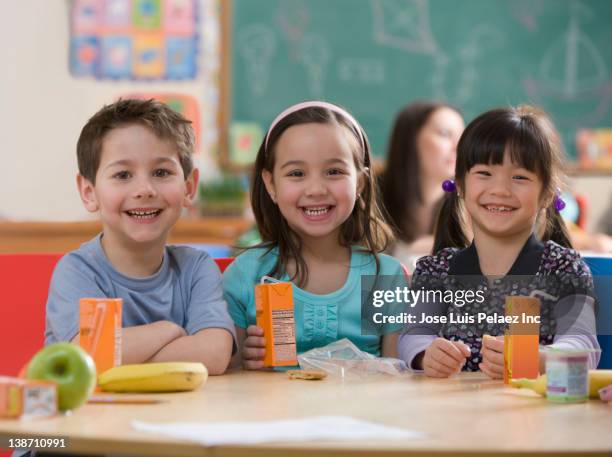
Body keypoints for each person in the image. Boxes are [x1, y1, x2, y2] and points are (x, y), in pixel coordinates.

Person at [398, 105, 600, 378]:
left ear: (546, 194)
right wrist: (426, 354)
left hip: (535, 416)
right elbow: (414, 335)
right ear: (460, 184)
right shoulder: (437, 271)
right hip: (451, 415)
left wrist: (537, 360)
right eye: (484, 173)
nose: (500, 190)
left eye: (520, 177)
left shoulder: (564, 269)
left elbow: (583, 347)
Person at [45, 99, 235, 375]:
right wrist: (169, 330)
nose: (144, 189)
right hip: (96, 417)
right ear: (89, 193)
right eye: (123, 174)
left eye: (161, 172)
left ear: (189, 187)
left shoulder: (196, 268)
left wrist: (117, 356)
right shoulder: (78, 271)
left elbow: (214, 355)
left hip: (181, 415)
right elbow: (88, 358)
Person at [223, 101, 406, 369]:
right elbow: (222, 381)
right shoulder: (246, 275)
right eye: (297, 173)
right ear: (270, 183)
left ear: (361, 183)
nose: (316, 189)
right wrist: (241, 361)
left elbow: (399, 377)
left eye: (334, 172)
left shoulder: (382, 278)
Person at [378, 101, 465, 266]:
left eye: (462, 137)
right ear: (410, 139)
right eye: (445, 134)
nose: (458, 147)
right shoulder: (367, 202)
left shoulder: (469, 206)